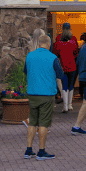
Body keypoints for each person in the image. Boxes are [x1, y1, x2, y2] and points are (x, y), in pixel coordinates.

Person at [24, 29, 65, 161]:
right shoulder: (53, 58)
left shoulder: (29, 56)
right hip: (47, 94)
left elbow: (26, 71)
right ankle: (41, 151)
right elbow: (60, 74)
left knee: (32, 122)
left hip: (32, 93)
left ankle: (28, 150)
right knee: (43, 124)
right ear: (48, 44)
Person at [52, 22, 79, 113]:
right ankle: (70, 104)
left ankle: (65, 106)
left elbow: (55, 55)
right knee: (71, 85)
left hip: (62, 66)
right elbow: (76, 54)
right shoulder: (73, 42)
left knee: (64, 86)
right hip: (72, 66)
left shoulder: (58, 43)